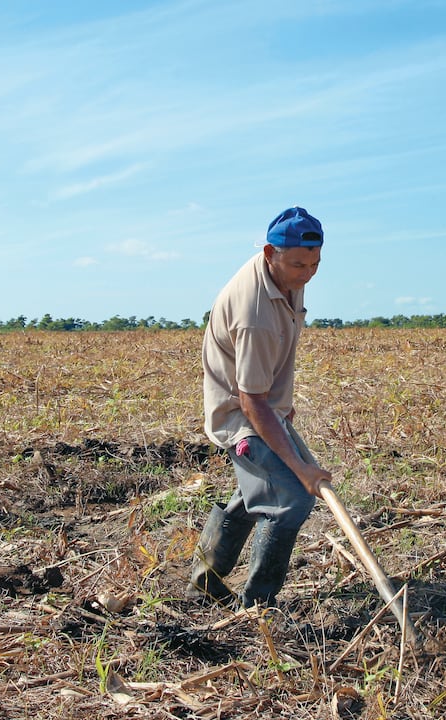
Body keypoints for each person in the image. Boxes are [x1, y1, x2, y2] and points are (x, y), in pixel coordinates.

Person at [188, 207, 333, 608]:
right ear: (270, 252)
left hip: (265, 404)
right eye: (298, 264)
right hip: (242, 416)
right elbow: (251, 400)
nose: (306, 274)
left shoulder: (283, 274)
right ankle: (257, 607)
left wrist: (281, 405)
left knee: (257, 491)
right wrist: (302, 468)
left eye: (315, 264)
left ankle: (202, 581)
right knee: (291, 500)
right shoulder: (255, 313)